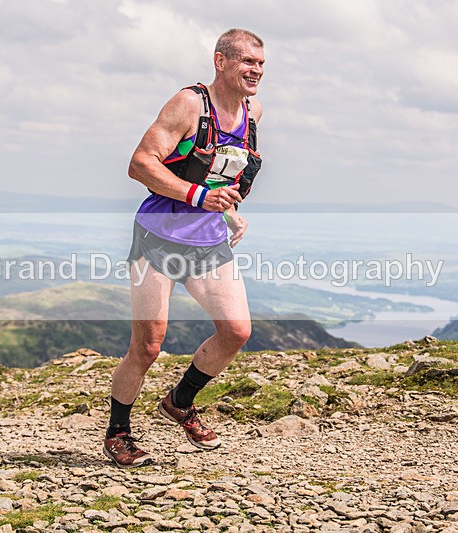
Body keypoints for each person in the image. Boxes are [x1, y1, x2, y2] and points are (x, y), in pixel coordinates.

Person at [103, 28, 265, 468]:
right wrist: (197, 197)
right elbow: (140, 163)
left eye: (261, 64)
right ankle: (119, 430)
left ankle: (180, 401)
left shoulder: (253, 113)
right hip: (157, 238)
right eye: (247, 62)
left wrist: (229, 210)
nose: (256, 71)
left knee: (236, 331)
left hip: (208, 239)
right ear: (221, 61)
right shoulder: (190, 104)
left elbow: (225, 173)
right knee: (148, 346)